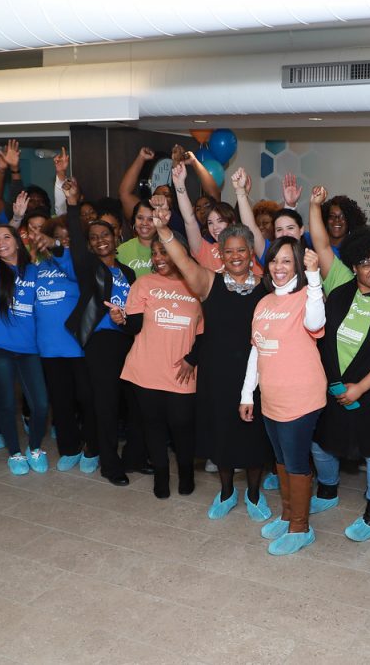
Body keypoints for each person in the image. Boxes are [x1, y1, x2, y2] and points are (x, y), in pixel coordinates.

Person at [148, 190, 274, 521]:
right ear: (220, 252)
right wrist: (164, 230)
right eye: (228, 251)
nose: (235, 256)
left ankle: (255, 493)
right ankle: (227, 491)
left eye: (241, 251)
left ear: (251, 253)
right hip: (217, 374)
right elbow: (182, 259)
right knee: (222, 435)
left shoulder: (266, 285)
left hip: (256, 374)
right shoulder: (208, 282)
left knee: (254, 436)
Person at [307, 187, 370, 541]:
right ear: (353, 266)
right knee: (322, 443)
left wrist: (358, 389)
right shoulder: (339, 284)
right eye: (366, 262)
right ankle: (327, 490)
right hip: (333, 388)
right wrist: (314, 205)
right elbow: (321, 245)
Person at [239, 237, 326, 556]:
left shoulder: (307, 295)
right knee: (281, 460)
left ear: (299, 264)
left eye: (287, 261)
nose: (279, 266)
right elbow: (256, 350)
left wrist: (315, 278)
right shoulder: (263, 303)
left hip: (301, 395)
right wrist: (248, 393)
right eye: (275, 260)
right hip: (271, 396)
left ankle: (301, 528)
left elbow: (316, 323)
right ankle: (288, 514)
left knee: (296, 462)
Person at [62, 178, 139, 486]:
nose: (99, 241)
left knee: (130, 403)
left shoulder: (128, 272)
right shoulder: (87, 267)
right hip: (102, 343)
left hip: (128, 341)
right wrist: (71, 203)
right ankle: (110, 464)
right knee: (106, 404)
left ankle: (133, 457)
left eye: (104, 234)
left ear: (115, 235)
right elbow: (77, 244)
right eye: (93, 237)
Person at [0, 179, 50, 476]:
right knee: (6, 404)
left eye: (6, 237)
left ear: (18, 241)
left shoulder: (34, 270)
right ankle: (16, 454)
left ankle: (35, 447)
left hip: (29, 350)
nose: (0, 243)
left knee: (41, 404)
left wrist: (18, 218)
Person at [121, 233, 202, 499]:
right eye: (154, 253)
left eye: (164, 251)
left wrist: (193, 358)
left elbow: (205, 333)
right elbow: (134, 327)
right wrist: (121, 318)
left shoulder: (197, 285)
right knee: (153, 425)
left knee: (183, 424)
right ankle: (161, 476)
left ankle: (186, 473)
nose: (158, 258)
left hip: (183, 370)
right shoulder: (143, 284)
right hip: (146, 369)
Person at [31, 216, 98, 474]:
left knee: (87, 399)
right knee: (61, 402)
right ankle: (70, 448)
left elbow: (73, 266)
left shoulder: (81, 266)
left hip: (78, 347)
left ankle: (92, 447)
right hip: (48, 348)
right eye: (58, 236)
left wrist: (59, 246)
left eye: (69, 238)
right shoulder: (39, 266)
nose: (64, 242)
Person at [116, 201, 157, 277]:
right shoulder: (121, 251)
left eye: (151, 219)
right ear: (134, 220)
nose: (144, 223)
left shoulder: (167, 249)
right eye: (140, 218)